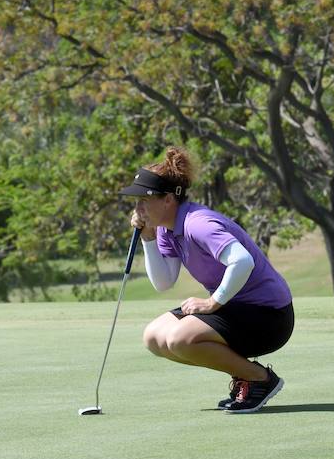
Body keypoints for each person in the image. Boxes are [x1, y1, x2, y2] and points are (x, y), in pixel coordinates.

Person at [119, 147, 294, 413]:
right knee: (154, 337)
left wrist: (213, 302)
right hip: (235, 308)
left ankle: (259, 379)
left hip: (269, 316)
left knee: (180, 339)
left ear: (168, 199)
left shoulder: (198, 224)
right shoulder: (166, 228)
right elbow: (164, 282)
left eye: (144, 199)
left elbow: (242, 261)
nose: (138, 208)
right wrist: (148, 239)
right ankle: (245, 375)